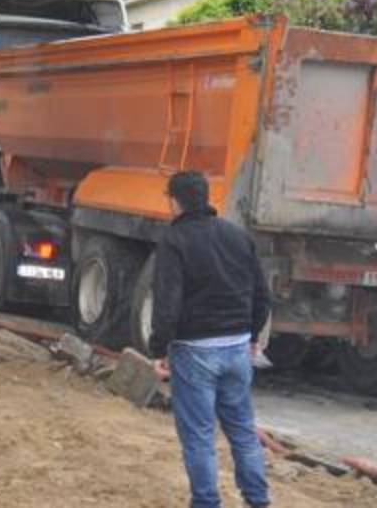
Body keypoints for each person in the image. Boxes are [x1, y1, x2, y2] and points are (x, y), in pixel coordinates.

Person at [150, 170, 271, 508]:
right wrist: (252, 336)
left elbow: (167, 303)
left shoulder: (174, 240)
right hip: (237, 348)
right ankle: (258, 500)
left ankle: (205, 502)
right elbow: (262, 293)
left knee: (199, 436)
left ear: (174, 201)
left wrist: (159, 349)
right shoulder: (237, 236)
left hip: (195, 351)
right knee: (243, 433)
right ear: (205, 197)